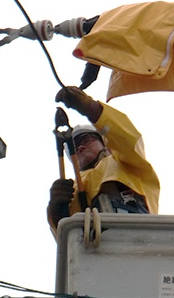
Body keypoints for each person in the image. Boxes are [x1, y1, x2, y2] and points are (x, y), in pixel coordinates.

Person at [47, 86, 160, 230]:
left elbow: (126, 138)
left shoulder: (126, 162)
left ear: (106, 145)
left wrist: (90, 108)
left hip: (139, 239)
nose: (80, 147)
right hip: (100, 249)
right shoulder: (73, 189)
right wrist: (56, 210)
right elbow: (68, 238)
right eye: (74, 147)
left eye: (86, 139)